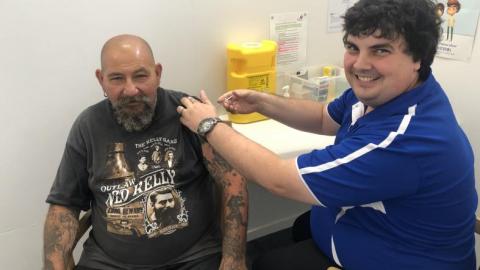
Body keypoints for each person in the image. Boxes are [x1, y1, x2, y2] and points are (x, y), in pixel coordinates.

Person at [177, 0, 477, 269]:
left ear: (418, 59)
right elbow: (324, 118)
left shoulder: (407, 140)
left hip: (406, 258)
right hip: (371, 229)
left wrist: (208, 125)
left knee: (271, 262)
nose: (360, 64)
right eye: (352, 47)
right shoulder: (391, 93)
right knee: (301, 227)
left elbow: (280, 180)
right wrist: (262, 102)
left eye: (381, 50)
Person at [43, 34, 248, 270]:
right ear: (101, 80)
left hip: (194, 257)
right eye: (117, 78)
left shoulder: (191, 113)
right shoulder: (88, 126)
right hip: (108, 262)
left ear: (158, 73)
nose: (131, 90)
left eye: (141, 76)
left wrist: (234, 259)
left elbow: (234, 182)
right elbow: (64, 204)